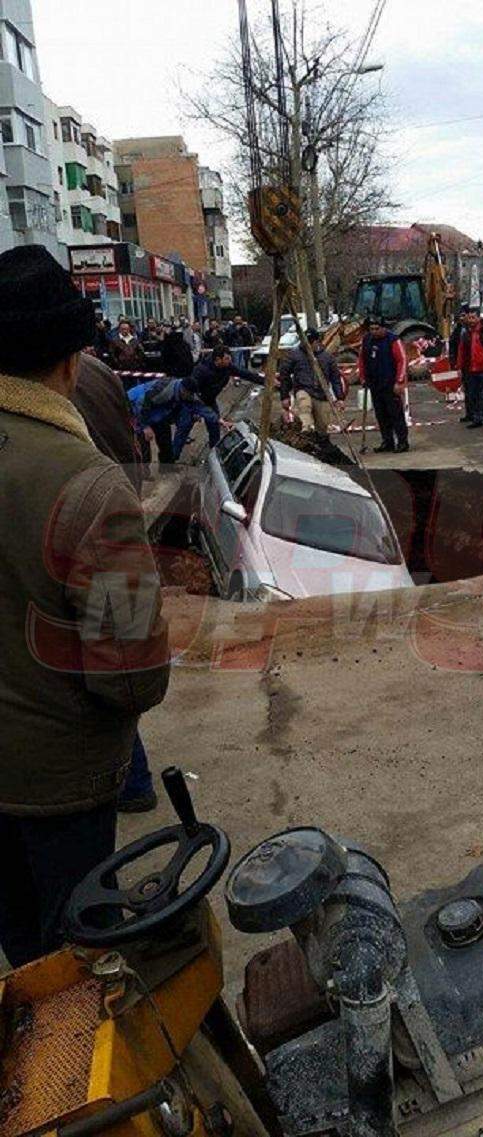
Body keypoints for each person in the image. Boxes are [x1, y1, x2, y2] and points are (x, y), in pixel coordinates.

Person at [0, 246, 170, 966]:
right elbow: (133, 674)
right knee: (77, 969)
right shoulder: (92, 488)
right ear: (71, 362)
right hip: (61, 787)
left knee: (24, 955)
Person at [72, 352, 158, 812]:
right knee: (116, 655)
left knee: (90, 659)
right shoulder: (98, 370)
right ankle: (133, 780)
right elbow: (130, 434)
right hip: (119, 501)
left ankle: (130, 782)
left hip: (79, 519)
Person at [185, 345, 262, 447]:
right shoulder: (201, 370)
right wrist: (195, 409)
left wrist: (266, 381)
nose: (230, 360)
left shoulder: (228, 367)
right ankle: (172, 455)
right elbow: (190, 390)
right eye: (226, 358)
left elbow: (246, 374)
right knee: (184, 428)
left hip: (210, 401)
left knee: (214, 428)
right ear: (218, 359)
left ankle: (214, 449)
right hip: (194, 402)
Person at [127, 376, 219, 460]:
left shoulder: (185, 393)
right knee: (143, 442)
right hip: (134, 408)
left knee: (165, 440)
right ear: (184, 391)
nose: (190, 397)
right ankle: (142, 474)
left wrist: (219, 420)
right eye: (189, 395)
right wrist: (145, 426)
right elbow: (141, 404)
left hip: (157, 415)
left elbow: (198, 406)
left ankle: (166, 467)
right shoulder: (165, 391)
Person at [280, 330, 344, 439]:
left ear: (316, 342)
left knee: (323, 425)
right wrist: (284, 396)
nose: (307, 345)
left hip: (321, 394)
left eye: (310, 343)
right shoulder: (294, 356)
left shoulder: (327, 357)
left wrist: (340, 397)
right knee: (304, 404)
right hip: (303, 389)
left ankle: (321, 444)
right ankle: (307, 427)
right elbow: (284, 375)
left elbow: (335, 378)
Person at [358, 316, 409, 453]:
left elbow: (402, 360)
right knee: (381, 415)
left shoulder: (393, 340)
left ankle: (402, 441)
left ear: (383, 327)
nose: (374, 331)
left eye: (377, 329)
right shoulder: (367, 340)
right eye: (371, 329)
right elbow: (362, 360)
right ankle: (387, 441)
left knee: (395, 414)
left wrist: (399, 381)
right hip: (375, 384)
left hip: (390, 383)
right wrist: (363, 377)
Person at [456, 307, 483, 428]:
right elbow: (461, 351)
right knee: (473, 394)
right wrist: (459, 367)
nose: (471, 320)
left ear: (479, 318)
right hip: (470, 369)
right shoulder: (466, 333)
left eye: (473, 317)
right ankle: (477, 418)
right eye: (469, 317)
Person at [448, 304, 470, 422]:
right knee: (467, 390)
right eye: (460, 316)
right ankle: (470, 414)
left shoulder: (476, 328)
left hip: (476, 365)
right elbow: (453, 345)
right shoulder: (458, 329)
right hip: (464, 365)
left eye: (464, 315)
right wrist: (454, 362)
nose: (462, 318)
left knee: (477, 391)